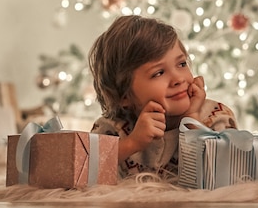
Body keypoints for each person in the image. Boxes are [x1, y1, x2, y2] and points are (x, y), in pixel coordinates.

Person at [89, 15, 238, 179]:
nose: (178, 79)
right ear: (124, 95)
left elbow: (227, 176)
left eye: (181, 64)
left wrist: (192, 121)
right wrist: (132, 143)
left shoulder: (215, 117)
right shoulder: (111, 129)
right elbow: (82, 170)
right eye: (158, 73)